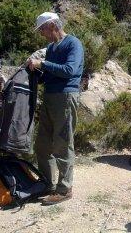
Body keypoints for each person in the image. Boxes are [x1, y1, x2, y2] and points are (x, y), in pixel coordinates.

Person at [27, 12, 84, 206]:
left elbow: (70, 70)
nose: (42, 33)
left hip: (66, 97)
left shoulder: (73, 44)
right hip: (50, 97)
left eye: (42, 29)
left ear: (52, 25)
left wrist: (42, 63)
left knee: (62, 143)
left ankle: (64, 188)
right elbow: (51, 75)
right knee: (42, 144)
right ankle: (47, 184)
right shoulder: (51, 48)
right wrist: (36, 72)